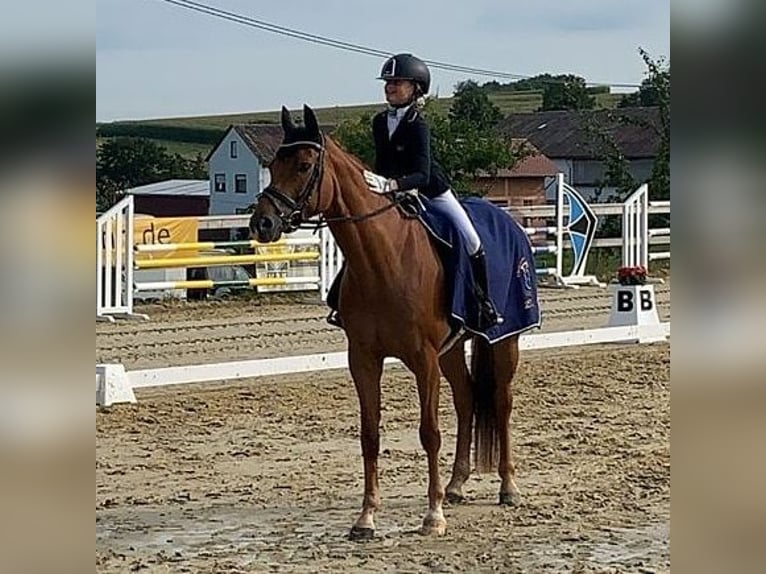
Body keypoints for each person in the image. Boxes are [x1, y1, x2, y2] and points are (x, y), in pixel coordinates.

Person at [327, 53, 500, 330]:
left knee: (471, 239)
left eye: (397, 82)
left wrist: (393, 184)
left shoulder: (418, 125)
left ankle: (483, 303)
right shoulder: (380, 122)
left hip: (432, 191)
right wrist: (380, 186)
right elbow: (383, 162)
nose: (389, 87)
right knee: (367, 240)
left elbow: (423, 173)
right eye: (387, 82)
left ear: (415, 88)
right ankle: (340, 301)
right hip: (392, 192)